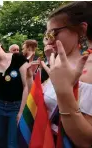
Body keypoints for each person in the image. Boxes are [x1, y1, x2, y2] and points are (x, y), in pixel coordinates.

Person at [38, 1, 92, 147]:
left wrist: (64, 92)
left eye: (53, 33)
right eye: (47, 35)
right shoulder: (59, 64)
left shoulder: (89, 69)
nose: (49, 40)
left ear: (81, 30)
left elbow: (85, 141)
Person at [0, 40, 29, 148]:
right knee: (1, 141)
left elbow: (26, 86)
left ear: (0, 44)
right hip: (0, 108)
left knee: (12, 144)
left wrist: (21, 112)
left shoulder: (18, 58)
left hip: (16, 107)